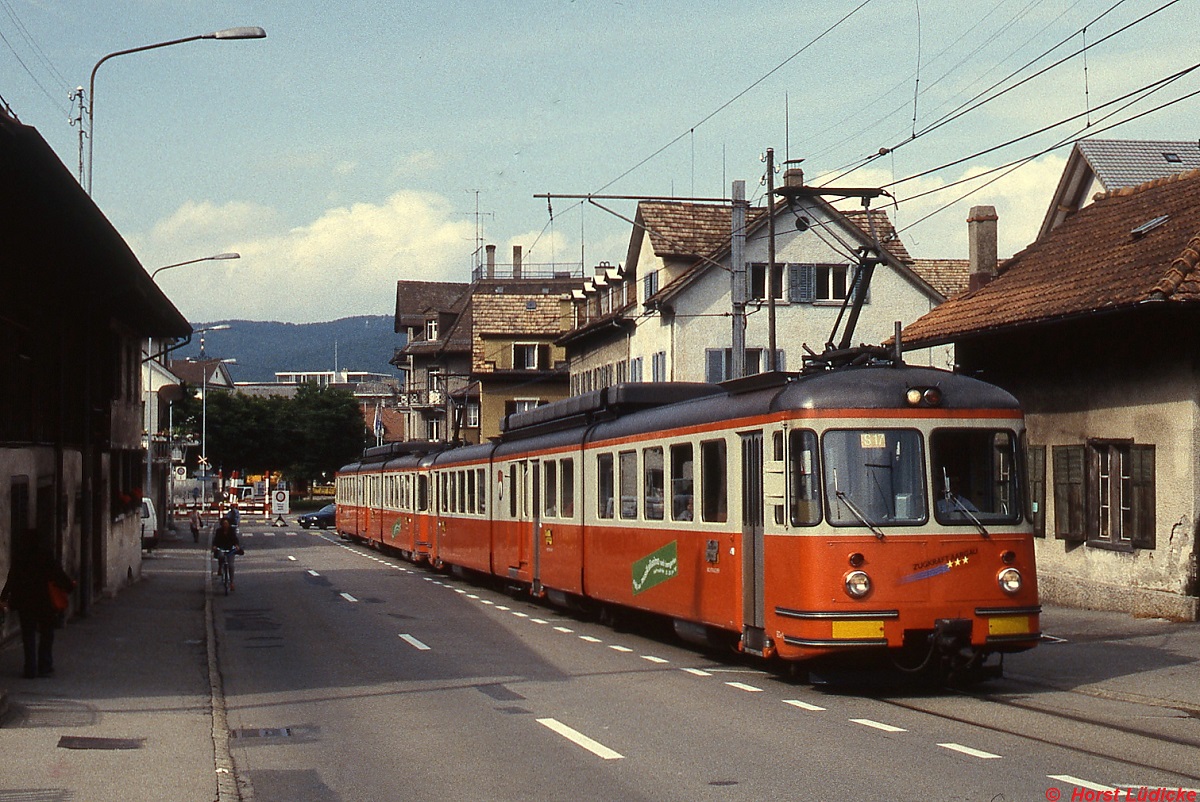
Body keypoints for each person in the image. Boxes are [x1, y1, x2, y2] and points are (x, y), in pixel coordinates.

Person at [1, 535, 75, 679]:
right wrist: (69, 586)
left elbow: (11, 579)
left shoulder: (20, 558)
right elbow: (58, 574)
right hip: (44, 602)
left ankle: (30, 668)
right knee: (47, 633)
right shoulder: (46, 556)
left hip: (25, 602)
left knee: (28, 635)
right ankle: (44, 665)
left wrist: (3, 597)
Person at [211, 516, 241, 590]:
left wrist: (236, 546)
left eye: (226, 523)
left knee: (231, 565)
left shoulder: (231, 531)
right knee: (221, 556)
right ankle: (220, 568)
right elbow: (215, 540)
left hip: (230, 549)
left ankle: (231, 582)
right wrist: (214, 546)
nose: (225, 525)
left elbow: (235, 539)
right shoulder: (219, 531)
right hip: (221, 548)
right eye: (224, 523)